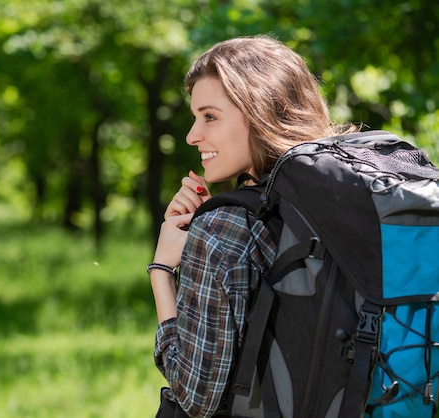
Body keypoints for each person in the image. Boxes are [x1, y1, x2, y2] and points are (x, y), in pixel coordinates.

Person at [148, 35, 356, 418]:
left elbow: (196, 397)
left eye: (209, 116)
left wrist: (162, 270)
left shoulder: (223, 229)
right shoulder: (342, 201)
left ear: (259, 111)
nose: (193, 135)